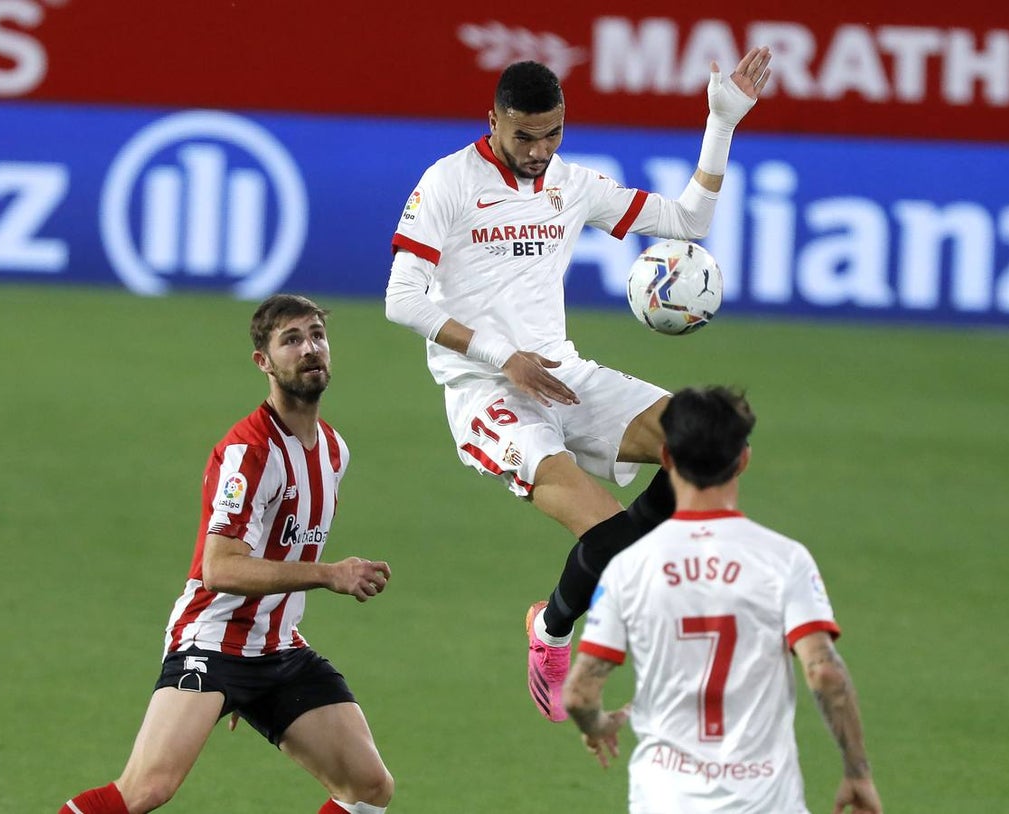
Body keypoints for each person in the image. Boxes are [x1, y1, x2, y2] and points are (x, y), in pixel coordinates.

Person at [385, 50, 772, 722]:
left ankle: (585, 603)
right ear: (493, 122)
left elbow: (688, 222)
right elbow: (401, 297)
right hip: (488, 395)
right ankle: (553, 630)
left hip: (564, 375)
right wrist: (504, 356)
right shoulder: (448, 182)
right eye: (524, 136)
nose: (538, 150)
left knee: (709, 438)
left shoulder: (572, 184)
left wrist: (721, 121)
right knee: (611, 537)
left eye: (552, 134)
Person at [58, 294, 395, 814]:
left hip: (278, 648)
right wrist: (330, 574)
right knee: (145, 790)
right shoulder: (249, 453)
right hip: (213, 644)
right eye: (292, 340)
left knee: (368, 786)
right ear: (263, 361)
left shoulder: (333, 449)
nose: (310, 349)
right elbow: (220, 568)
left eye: (317, 336)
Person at [562, 387, 883, 814]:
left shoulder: (629, 567)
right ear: (743, 459)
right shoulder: (782, 559)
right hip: (765, 801)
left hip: (665, 799)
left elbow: (580, 695)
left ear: (667, 458)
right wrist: (857, 772)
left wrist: (598, 725)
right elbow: (825, 673)